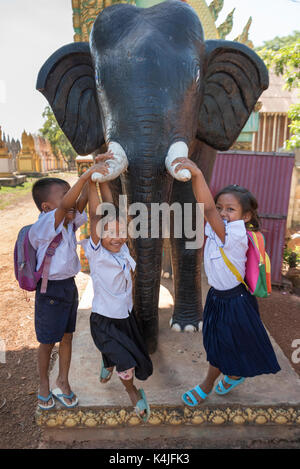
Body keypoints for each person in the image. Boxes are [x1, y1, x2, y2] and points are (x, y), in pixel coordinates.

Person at [171, 158, 281, 406]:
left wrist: (198, 174)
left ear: (246, 215)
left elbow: (206, 209)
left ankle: (206, 385)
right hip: (218, 297)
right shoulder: (220, 228)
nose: (222, 213)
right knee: (218, 343)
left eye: (230, 209)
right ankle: (233, 374)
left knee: (221, 348)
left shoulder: (235, 233)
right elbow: (208, 212)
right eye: (220, 207)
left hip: (234, 300)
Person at [29, 154, 112, 410]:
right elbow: (68, 205)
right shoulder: (45, 225)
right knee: (47, 341)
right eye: (63, 195)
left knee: (67, 337)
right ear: (46, 206)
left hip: (68, 287)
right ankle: (44, 384)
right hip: (49, 290)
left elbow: (81, 201)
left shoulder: (66, 224)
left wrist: (92, 176)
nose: (70, 198)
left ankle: (63, 382)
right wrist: (86, 174)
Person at [80, 171, 153, 422]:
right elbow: (96, 214)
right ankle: (133, 394)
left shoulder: (123, 250)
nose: (117, 237)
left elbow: (110, 209)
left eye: (122, 232)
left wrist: (103, 180)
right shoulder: (98, 252)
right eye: (109, 232)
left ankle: (106, 361)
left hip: (125, 318)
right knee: (126, 362)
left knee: (121, 353)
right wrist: (91, 181)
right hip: (104, 321)